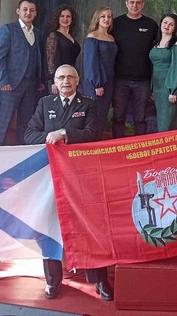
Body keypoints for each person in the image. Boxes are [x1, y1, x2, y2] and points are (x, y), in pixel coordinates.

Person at [24, 64, 114, 302]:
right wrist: (49, 137)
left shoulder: (88, 104)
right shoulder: (45, 103)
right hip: (50, 176)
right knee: (49, 227)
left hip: (80, 175)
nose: (65, 81)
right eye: (61, 77)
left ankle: (99, 279)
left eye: (70, 77)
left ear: (77, 80)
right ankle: (53, 280)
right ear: (55, 82)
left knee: (90, 226)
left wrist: (64, 134)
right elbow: (29, 133)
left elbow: (93, 133)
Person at [0, 0, 44, 145]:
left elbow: (39, 58)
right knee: (5, 120)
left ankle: (21, 151)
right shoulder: (8, 30)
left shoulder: (37, 33)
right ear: (18, 11)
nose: (28, 13)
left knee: (26, 121)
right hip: (11, 84)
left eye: (32, 10)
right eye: (25, 9)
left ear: (35, 13)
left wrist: (40, 80)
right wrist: (3, 81)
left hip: (32, 85)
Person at [112, 0, 158, 137]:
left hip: (143, 80)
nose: (134, 5)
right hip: (120, 79)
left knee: (140, 119)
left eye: (138, 2)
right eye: (132, 2)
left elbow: (159, 49)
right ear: (126, 3)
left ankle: (140, 148)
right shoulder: (116, 23)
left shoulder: (151, 25)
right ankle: (117, 147)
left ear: (143, 4)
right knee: (118, 117)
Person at [82, 7, 118, 138]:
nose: (106, 19)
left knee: (103, 114)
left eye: (109, 16)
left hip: (109, 82)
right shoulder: (92, 37)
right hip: (96, 83)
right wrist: (97, 84)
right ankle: (91, 143)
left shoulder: (111, 38)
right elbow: (90, 62)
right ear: (97, 18)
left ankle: (99, 142)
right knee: (94, 115)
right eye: (103, 16)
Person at [149, 14, 177, 132]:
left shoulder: (176, 45)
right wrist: (152, 88)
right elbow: (152, 67)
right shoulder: (155, 44)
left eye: (171, 24)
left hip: (168, 88)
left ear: (175, 28)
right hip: (157, 88)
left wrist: (173, 91)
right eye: (165, 22)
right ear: (160, 24)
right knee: (161, 121)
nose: (167, 26)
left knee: (167, 124)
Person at [45, 5, 81, 95]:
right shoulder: (54, 35)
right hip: (59, 80)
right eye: (62, 16)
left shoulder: (71, 36)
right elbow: (50, 60)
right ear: (57, 18)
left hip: (70, 77)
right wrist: (53, 81)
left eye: (68, 16)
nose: (65, 19)